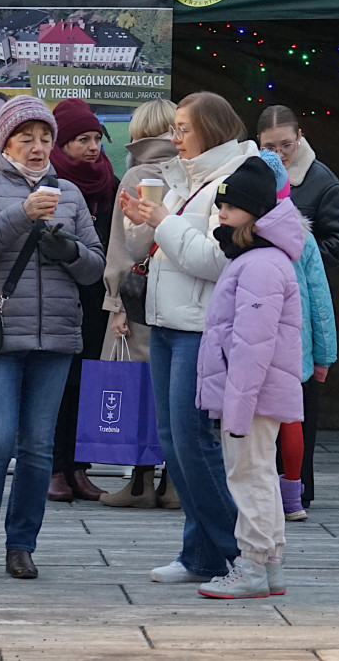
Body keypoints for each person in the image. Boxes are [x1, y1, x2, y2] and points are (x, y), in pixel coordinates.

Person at [0, 95, 105, 580]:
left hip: (55, 338)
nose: (37, 148)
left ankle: (22, 547)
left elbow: (93, 269)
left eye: (45, 139)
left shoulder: (69, 193)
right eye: (25, 139)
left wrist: (68, 249)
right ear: (6, 141)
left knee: (36, 447)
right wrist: (24, 215)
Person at [118, 91, 255, 584]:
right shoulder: (186, 177)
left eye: (182, 129)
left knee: (192, 444)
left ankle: (240, 556)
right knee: (174, 442)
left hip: (201, 327)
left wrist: (163, 222)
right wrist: (143, 225)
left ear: (212, 130)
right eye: (173, 128)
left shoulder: (236, 179)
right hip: (168, 322)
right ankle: (200, 555)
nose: (173, 138)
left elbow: (217, 259)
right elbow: (169, 249)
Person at [195, 156, 305, 598]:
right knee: (259, 472)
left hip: (251, 398)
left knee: (249, 475)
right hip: (256, 395)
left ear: (255, 213)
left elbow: (251, 348)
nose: (220, 212)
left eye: (231, 206)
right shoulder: (257, 259)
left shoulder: (260, 265)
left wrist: (236, 411)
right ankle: (270, 564)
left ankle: (253, 567)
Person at [256, 104, 339, 508]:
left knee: (299, 409)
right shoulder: (251, 174)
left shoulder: (321, 181)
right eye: (269, 146)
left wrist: (296, 259)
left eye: (286, 144)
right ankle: (262, 485)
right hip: (261, 309)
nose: (280, 154)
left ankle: (300, 488)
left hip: (299, 313)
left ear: (300, 137)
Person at [97, 98, 180, 509]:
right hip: (184, 298)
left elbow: (124, 246)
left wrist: (115, 305)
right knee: (177, 392)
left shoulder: (136, 176)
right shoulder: (191, 172)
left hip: (139, 299)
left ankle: (139, 483)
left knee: (137, 392)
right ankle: (174, 484)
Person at [257, 150, 337, 522]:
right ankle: (293, 496)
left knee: (255, 425)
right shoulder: (303, 239)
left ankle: (259, 495)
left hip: (254, 349)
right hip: (296, 351)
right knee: (292, 422)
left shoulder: (241, 237)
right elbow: (320, 302)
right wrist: (324, 356)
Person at [46, 98, 118, 503]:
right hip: (58, 296)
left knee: (88, 384)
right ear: (62, 144)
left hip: (99, 301)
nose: (93, 147)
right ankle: (54, 468)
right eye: (82, 140)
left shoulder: (112, 184)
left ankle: (79, 468)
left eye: (96, 139)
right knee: (58, 384)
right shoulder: (48, 184)